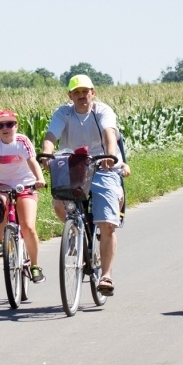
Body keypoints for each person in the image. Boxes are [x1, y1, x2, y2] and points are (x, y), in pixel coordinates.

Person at [40, 75, 131, 296]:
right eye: (76, 93)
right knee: (59, 203)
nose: (81, 96)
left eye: (85, 91)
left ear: (93, 92)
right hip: (73, 165)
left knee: (107, 223)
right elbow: (51, 134)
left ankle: (106, 275)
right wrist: (46, 154)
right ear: (70, 96)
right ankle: (76, 231)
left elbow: (110, 132)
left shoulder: (102, 111)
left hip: (102, 164)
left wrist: (110, 155)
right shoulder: (64, 112)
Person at [0, 110, 48, 283]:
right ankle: (0, 241)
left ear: (16, 125)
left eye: (9, 124)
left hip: (26, 185)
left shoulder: (22, 141)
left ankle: (35, 266)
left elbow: (32, 161)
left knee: (28, 226)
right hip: (3, 185)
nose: (5, 128)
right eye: (0, 125)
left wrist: (40, 179)